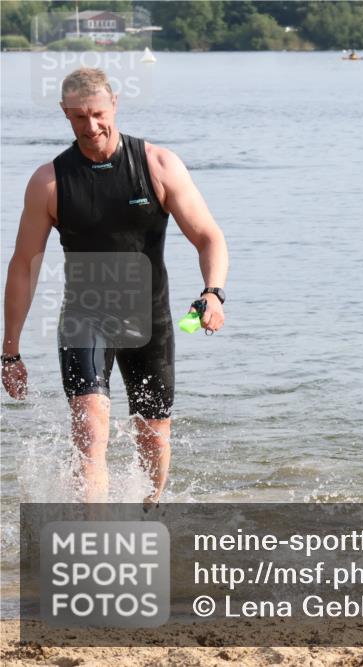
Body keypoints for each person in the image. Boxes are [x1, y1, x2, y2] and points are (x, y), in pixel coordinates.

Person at [1, 68, 228, 504]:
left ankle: (150, 511)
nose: (91, 127)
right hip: (85, 318)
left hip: (151, 317)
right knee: (89, 432)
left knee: (154, 438)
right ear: (65, 114)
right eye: (79, 117)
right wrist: (9, 350)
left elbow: (209, 237)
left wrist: (212, 291)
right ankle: (96, 541)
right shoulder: (49, 182)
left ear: (115, 105)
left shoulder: (158, 165)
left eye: (98, 114)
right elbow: (23, 266)